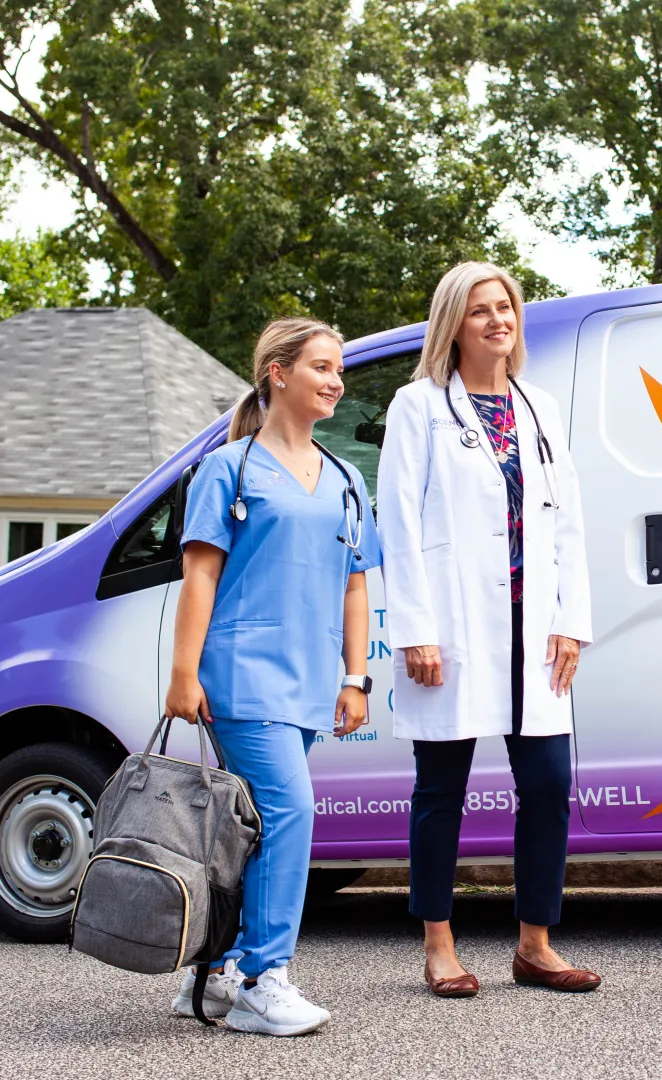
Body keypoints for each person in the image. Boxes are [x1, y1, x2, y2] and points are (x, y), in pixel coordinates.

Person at [377, 261, 597, 998]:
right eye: (480, 311)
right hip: (455, 624)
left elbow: (567, 523)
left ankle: (535, 944)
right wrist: (414, 628)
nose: (497, 320)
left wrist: (572, 620)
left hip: (532, 628)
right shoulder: (418, 406)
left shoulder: (539, 406)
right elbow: (398, 524)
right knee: (442, 788)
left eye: (505, 307)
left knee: (549, 783)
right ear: (454, 324)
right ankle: (440, 945)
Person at [163, 316, 381, 1035]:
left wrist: (356, 677)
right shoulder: (227, 470)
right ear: (277, 374)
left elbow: (355, 585)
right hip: (242, 673)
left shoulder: (346, 477)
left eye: (339, 370)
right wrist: (183, 674)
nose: (335, 381)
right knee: (291, 812)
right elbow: (200, 577)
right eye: (321, 366)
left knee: (254, 828)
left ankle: (217, 972)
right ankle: (265, 977)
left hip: (312, 679)